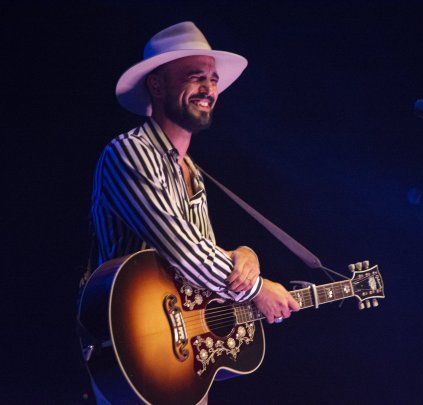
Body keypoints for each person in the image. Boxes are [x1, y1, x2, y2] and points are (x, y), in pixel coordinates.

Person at [90, 21, 299, 404]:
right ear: (156, 85)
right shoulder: (130, 152)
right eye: (195, 77)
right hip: (139, 355)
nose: (209, 89)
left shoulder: (193, 174)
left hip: (181, 362)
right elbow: (184, 252)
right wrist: (257, 289)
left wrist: (244, 255)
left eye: (213, 79)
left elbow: (201, 268)